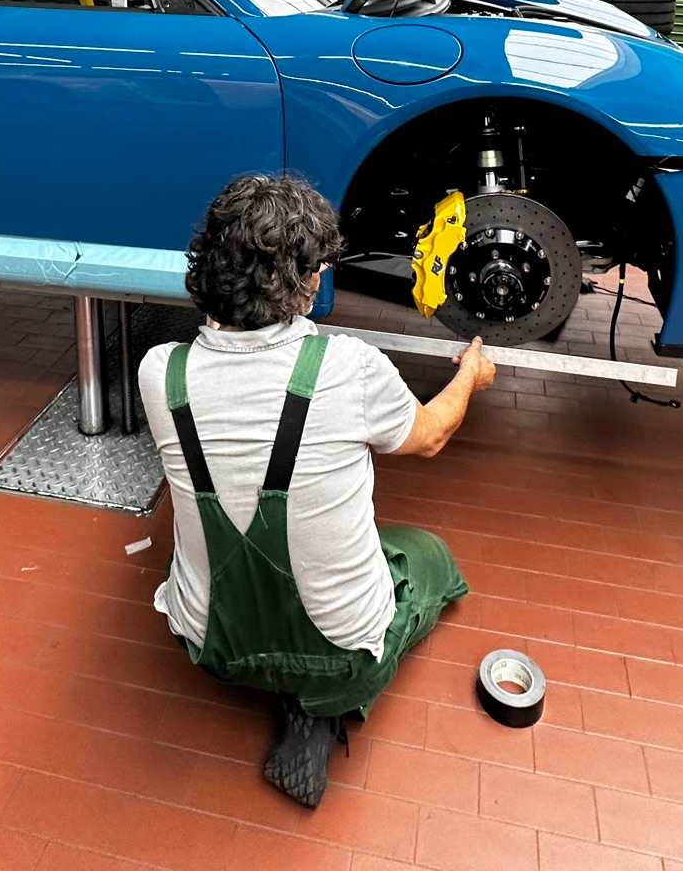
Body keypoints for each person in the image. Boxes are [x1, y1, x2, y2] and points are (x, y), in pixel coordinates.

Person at [139, 174, 495, 806]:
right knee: (428, 556)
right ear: (302, 281)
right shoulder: (349, 367)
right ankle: (324, 705)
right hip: (339, 656)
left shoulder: (159, 370)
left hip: (211, 645)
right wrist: (470, 375)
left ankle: (293, 691)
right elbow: (432, 435)